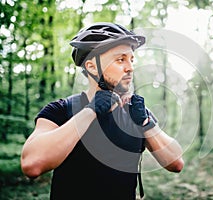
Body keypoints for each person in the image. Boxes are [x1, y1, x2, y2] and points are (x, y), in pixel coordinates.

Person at [20, 22, 184, 200]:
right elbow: (32, 165)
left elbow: (176, 163)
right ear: (92, 66)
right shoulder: (61, 110)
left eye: (131, 59)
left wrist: (146, 123)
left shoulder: (137, 114)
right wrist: (90, 111)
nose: (130, 67)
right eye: (120, 59)